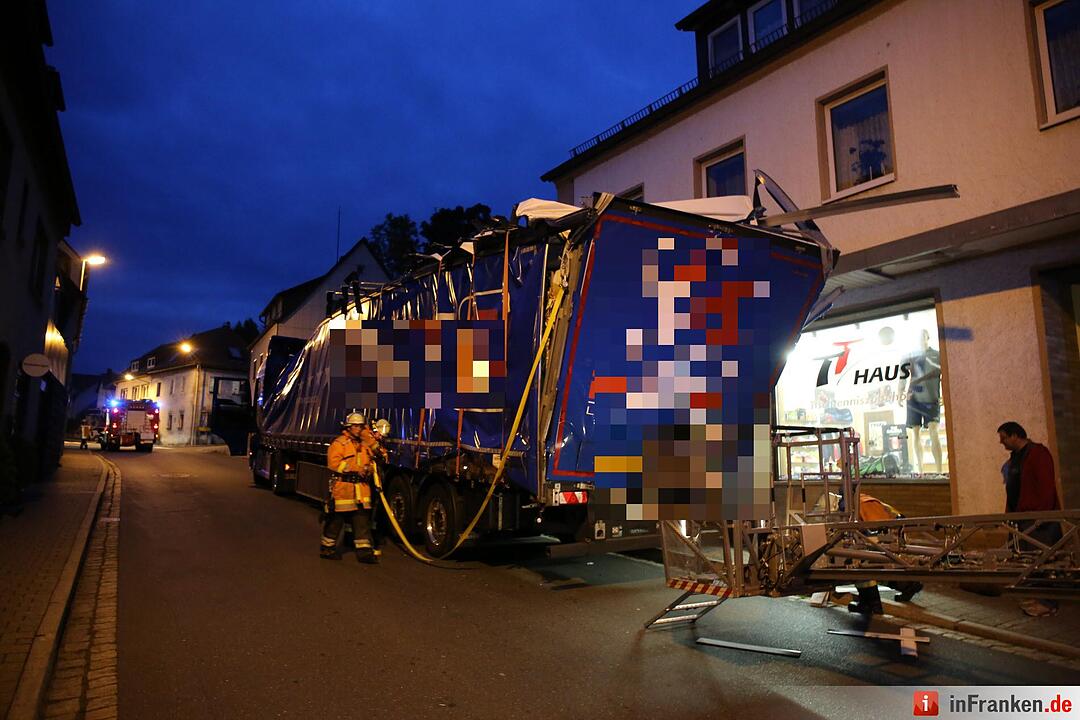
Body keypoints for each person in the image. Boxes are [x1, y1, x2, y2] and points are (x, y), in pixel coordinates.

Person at [997, 420, 1062, 617]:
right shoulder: (1015, 458)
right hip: (1021, 519)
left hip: (1038, 520)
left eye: (1004, 438)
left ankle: (1048, 602)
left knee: (1043, 561)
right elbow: (1013, 488)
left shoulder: (1038, 454)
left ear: (1015, 435)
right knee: (1027, 561)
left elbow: (1045, 486)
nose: (1002, 442)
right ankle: (1035, 597)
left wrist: (1041, 516)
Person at [321, 412, 386, 563]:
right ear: (349, 427)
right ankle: (327, 548)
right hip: (344, 489)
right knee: (336, 521)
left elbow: (378, 458)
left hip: (361, 490)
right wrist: (356, 468)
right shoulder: (339, 443)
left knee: (362, 522)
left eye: (360, 426)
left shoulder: (365, 445)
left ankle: (364, 553)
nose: (358, 429)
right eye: (355, 426)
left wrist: (369, 467)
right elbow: (333, 463)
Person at [898, 329, 942, 474]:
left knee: (933, 431)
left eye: (923, 336)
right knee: (915, 433)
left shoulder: (937, 355)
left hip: (932, 397)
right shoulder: (909, 356)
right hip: (914, 398)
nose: (920, 339)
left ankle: (939, 470)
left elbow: (945, 375)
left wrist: (946, 394)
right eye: (918, 336)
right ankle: (921, 469)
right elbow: (903, 376)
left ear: (927, 337)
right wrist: (900, 392)